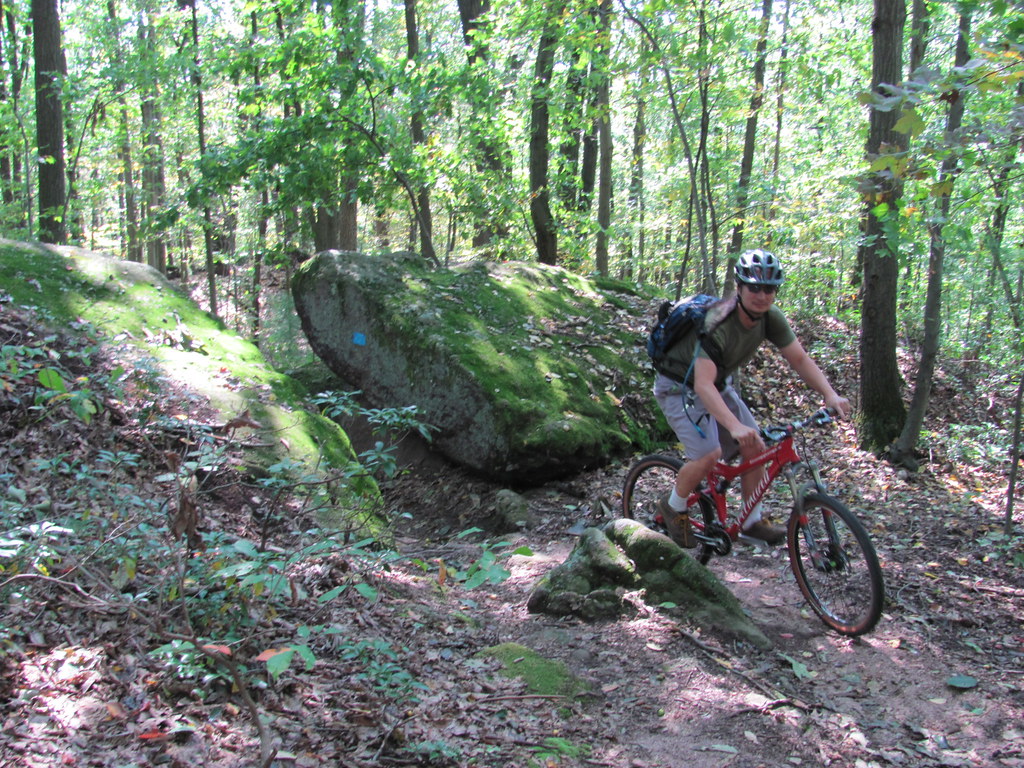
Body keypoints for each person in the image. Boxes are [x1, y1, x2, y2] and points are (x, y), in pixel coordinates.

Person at [652, 249, 851, 547]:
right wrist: (734, 427)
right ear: (740, 289)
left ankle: (749, 522)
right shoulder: (718, 324)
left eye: (769, 288)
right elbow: (703, 386)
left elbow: (799, 359)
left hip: (716, 384)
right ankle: (673, 507)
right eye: (754, 287)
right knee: (708, 454)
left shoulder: (770, 318)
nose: (762, 295)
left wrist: (830, 394)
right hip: (678, 387)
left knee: (755, 446)